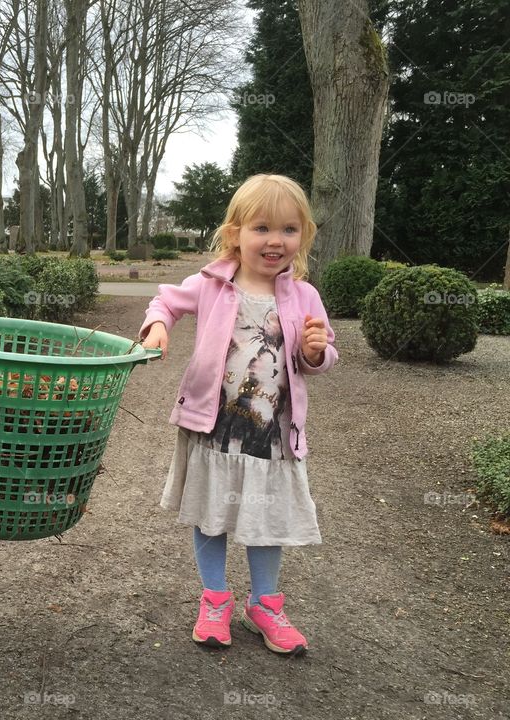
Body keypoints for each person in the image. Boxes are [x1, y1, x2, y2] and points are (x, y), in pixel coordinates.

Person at [140, 174, 337, 656]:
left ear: (303, 237)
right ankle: (215, 599)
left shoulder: (305, 297)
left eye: (289, 230)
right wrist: (158, 327)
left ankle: (265, 603)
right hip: (214, 429)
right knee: (210, 513)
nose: (275, 240)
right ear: (235, 233)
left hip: (273, 436)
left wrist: (316, 352)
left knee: (266, 518)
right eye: (262, 227)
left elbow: (323, 356)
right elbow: (165, 299)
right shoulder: (211, 284)